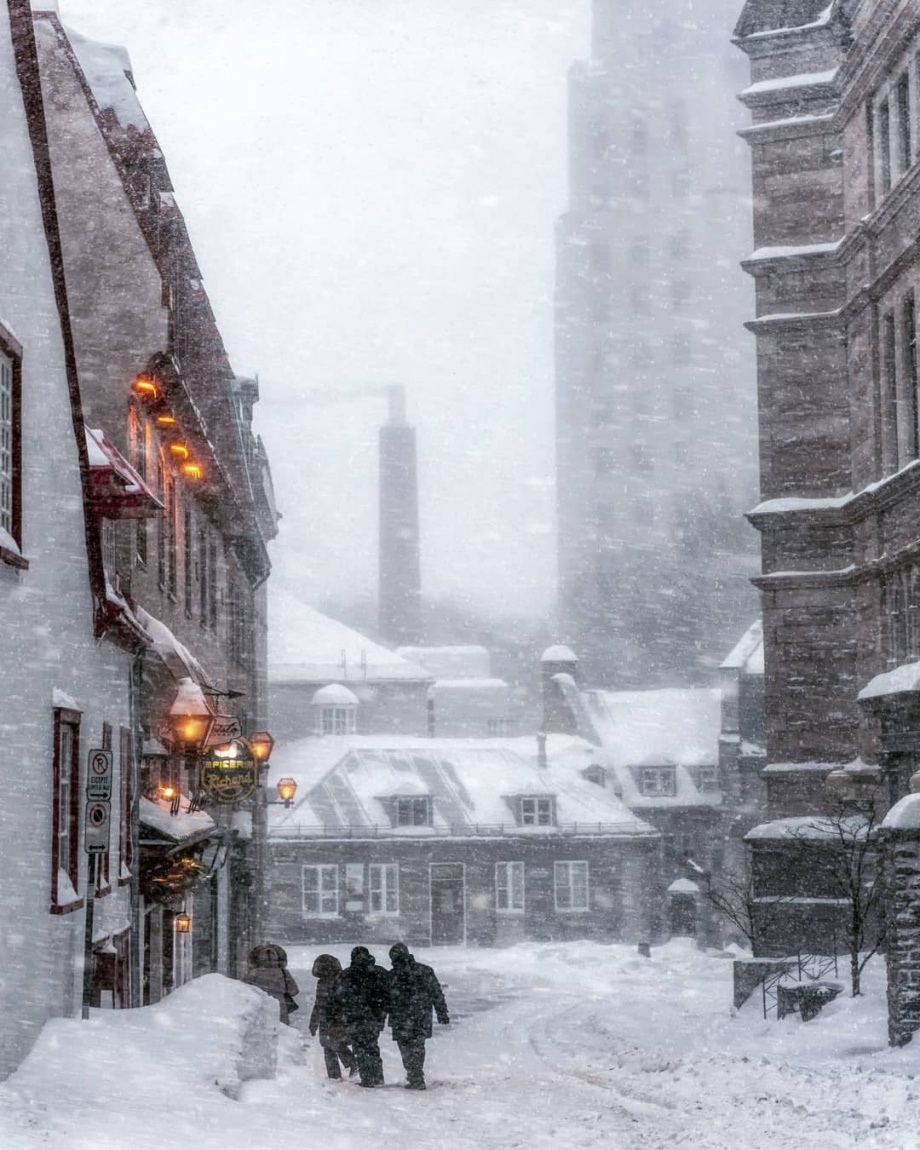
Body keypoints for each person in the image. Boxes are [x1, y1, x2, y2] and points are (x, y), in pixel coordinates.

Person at [386, 941, 449, 1090]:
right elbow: (436, 993)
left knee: (405, 1046)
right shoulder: (424, 970)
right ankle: (416, 1075)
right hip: (421, 1015)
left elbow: (384, 998)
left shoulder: (392, 975)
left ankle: (414, 1074)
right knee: (418, 1046)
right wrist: (441, 1011)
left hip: (400, 1017)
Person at [332, 946, 392, 1087]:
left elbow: (337, 997)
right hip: (375, 1017)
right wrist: (384, 1009)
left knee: (360, 1047)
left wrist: (340, 1013)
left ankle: (367, 1078)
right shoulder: (379, 972)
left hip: (355, 1017)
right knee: (372, 1046)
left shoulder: (346, 974)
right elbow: (390, 993)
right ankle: (377, 1077)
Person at [308, 954, 357, 1079]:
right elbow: (318, 1003)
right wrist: (314, 1022)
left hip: (335, 1018)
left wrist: (342, 1018)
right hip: (327, 1018)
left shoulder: (340, 981)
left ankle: (350, 1064)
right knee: (327, 1043)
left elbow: (343, 1002)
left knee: (334, 1043)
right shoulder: (325, 982)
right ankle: (334, 1074)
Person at [242, 943, 300, 1025]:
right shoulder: (284, 972)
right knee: (282, 1031)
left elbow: (242, 990)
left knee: (262, 1027)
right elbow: (294, 990)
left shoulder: (253, 973)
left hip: (260, 1005)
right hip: (281, 1007)